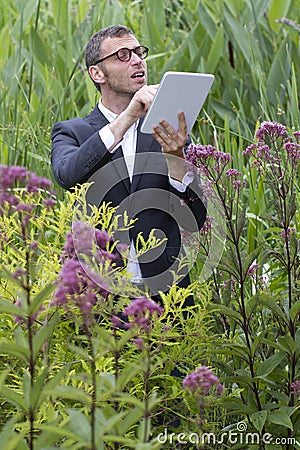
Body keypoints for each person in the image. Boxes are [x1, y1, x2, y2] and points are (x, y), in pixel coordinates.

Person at [51, 24, 206, 298]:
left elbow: (196, 219)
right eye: (122, 55)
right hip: (101, 296)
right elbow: (67, 174)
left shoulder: (168, 130)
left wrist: (176, 162)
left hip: (169, 295)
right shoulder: (72, 132)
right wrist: (128, 117)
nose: (137, 60)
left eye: (138, 52)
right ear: (97, 73)